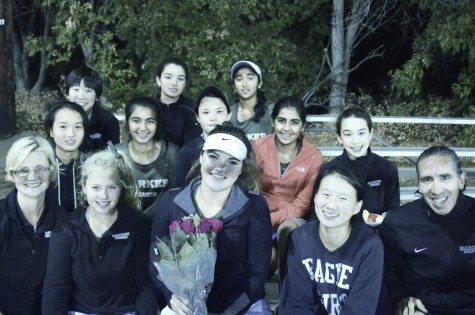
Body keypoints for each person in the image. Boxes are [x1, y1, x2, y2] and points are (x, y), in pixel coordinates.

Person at [150, 125, 273, 314]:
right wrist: (171, 296)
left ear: (242, 168)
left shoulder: (254, 206)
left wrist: (229, 312)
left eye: (232, 162)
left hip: (241, 306)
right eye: (213, 157)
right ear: (201, 157)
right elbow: (155, 256)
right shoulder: (171, 201)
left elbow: (257, 274)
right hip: (186, 305)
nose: (220, 168)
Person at [42, 150, 158, 314]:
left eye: (111, 187)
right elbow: (55, 288)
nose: (103, 195)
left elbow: (146, 283)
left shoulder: (137, 224)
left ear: (121, 188)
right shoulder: (66, 227)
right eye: (96, 187)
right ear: (83, 186)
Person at [380, 146, 475, 315]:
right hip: (423, 309)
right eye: (427, 180)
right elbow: (389, 272)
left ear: (461, 181)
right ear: (419, 183)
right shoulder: (397, 222)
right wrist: (400, 298)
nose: (436, 190)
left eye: (445, 177)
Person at [280, 165, 385, 314]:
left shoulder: (369, 245)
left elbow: (360, 309)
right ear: (315, 197)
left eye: (342, 198)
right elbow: (297, 304)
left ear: (357, 207)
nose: (331, 205)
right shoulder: (300, 239)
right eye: (326, 195)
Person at [252, 96, 324, 281]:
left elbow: (303, 203)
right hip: (259, 215)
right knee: (265, 262)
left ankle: (287, 294)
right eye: (281, 121)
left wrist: (271, 219)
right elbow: (249, 188)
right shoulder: (257, 148)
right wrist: (259, 218)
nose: (286, 128)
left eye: (294, 122)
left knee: (288, 228)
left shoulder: (314, 157)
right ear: (272, 121)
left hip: (292, 219)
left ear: (303, 126)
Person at [0, 136, 63, 315]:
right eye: (23, 170)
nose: (33, 177)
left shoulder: (65, 221)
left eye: (40, 169)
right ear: (11, 174)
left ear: (51, 171)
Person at [320, 106, 400, 218]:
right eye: (348, 134)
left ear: (370, 134)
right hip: (339, 232)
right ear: (339, 137)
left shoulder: (387, 169)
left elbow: (393, 210)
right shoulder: (328, 170)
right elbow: (319, 210)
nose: (355, 141)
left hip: (375, 232)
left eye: (361, 133)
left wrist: (386, 218)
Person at [115, 96, 179, 219]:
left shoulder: (172, 153)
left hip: (162, 224)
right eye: (136, 120)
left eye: (150, 121)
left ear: (157, 123)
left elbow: (176, 196)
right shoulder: (116, 154)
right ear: (127, 122)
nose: (143, 128)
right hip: (126, 224)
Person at [171, 85, 231, 188]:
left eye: (219, 111)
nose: (213, 118)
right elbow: (177, 191)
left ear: (229, 115)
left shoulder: (237, 149)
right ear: (197, 117)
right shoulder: (187, 152)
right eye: (206, 112)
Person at [45, 101, 90, 211]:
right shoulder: (41, 166)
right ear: (51, 131)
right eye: (63, 126)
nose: (71, 134)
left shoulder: (93, 165)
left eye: (78, 127)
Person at [65, 65, 120, 151]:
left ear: (97, 96)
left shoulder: (108, 121)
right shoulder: (58, 118)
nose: (81, 96)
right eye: (76, 89)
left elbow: (114, 155)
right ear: (67, 94)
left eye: (88, 91)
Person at [155, 56, 201, 147]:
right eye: (168, 77)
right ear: (158, 80)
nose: (174, 83)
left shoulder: (195, 110)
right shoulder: (148, 108)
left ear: (185, 83)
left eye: (180, 79)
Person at [229, 60, 274, 141]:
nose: (244, 84)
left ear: (259, 83)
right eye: (239, 79)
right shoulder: (228, 114)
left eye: (250, 78)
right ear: (234, 86)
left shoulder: (271, 110)